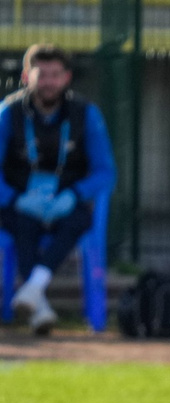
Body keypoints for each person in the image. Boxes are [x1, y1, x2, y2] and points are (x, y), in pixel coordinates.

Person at [1, 44, 114, 334]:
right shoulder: (8, 113)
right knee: (23, 225)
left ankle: (33, 290)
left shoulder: (86, 114)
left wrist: (74, 195)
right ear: (26, 76)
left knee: (78, 219)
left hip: (66, 201)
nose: (48, 82)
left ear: (66, 78)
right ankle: (39, 306)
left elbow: (105, 172)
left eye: (55, 75)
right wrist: (14, 198)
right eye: (41, 74)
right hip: (20, 203)